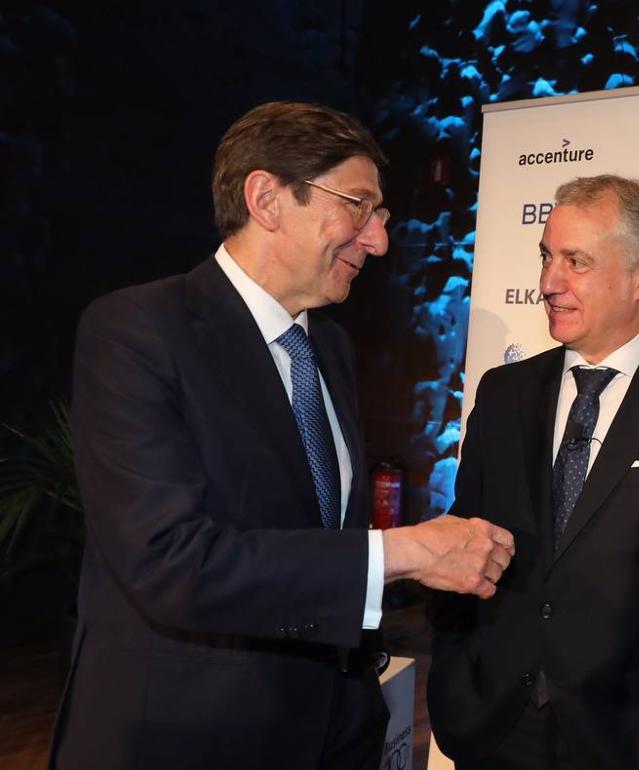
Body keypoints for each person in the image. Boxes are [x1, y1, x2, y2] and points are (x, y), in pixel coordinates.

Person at [50, 101, 515, 770]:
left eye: (380, 216)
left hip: (331, 733)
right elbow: (170, 564)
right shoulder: (139, 331)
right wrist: (402, 554)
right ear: (267, 198)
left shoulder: (330, 348)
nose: (379, 240)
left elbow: (310, 539)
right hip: (187, 741)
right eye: (358, 207)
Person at [428, 175, 639, 770]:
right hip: (492, 732)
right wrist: (453, 688)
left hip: (633, 745)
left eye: (576, 262)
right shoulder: (504, 392)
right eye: (546, 257)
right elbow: (466, 543)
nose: (549, 283)